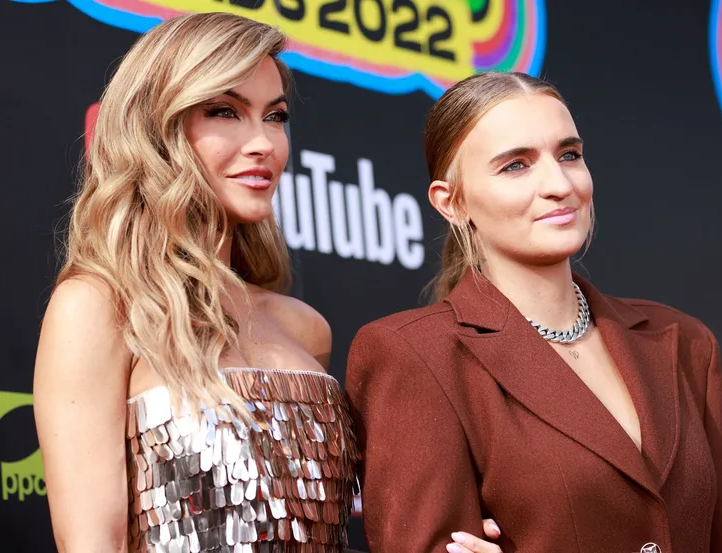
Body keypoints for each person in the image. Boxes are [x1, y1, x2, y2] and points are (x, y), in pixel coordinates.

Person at [33, 12, 502, 553]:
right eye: (225, 111)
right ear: (155, 128)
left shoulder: (305, 329)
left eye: (275, 116)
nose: (263, 143)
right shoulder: (97, 308)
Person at [345, 71, 722, 553]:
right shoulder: (415, 357)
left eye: (569, 155)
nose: (559, 184)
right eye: (516, 166)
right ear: (451, 203)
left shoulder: (684, 341)